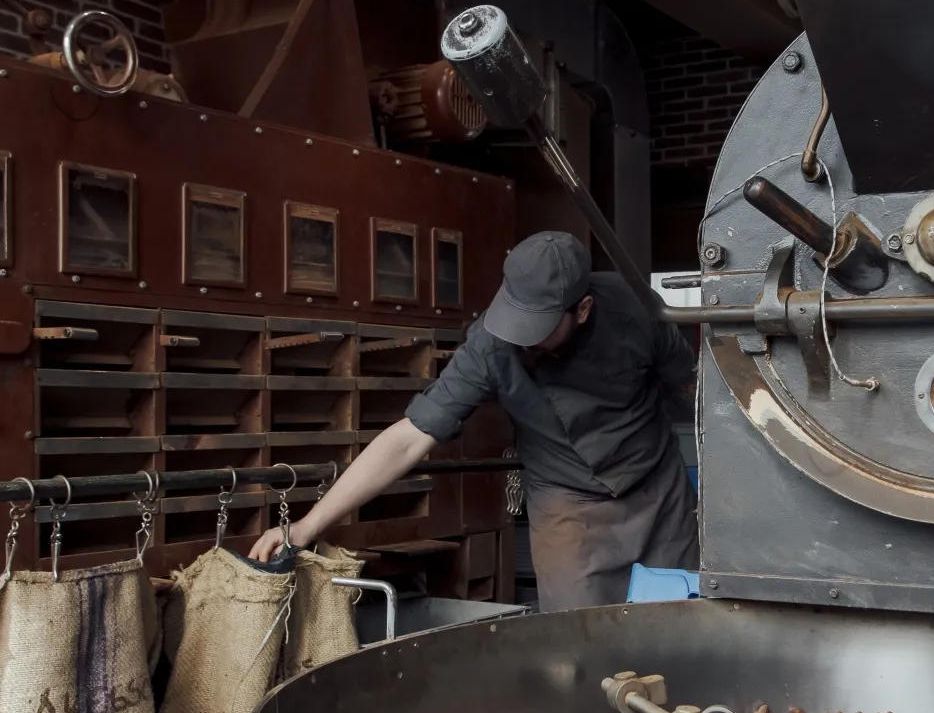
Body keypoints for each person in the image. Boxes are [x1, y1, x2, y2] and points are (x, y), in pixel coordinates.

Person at [251, 230, 697, 610]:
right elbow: (408, 438)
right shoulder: (490, 346)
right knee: (579, 644)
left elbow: (693, 388)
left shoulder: (637, 309)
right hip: (568, 504)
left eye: (537, 327)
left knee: (684, 627)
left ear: (581, 309)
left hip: (659, 494)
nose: (522, 341)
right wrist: (305, 527)